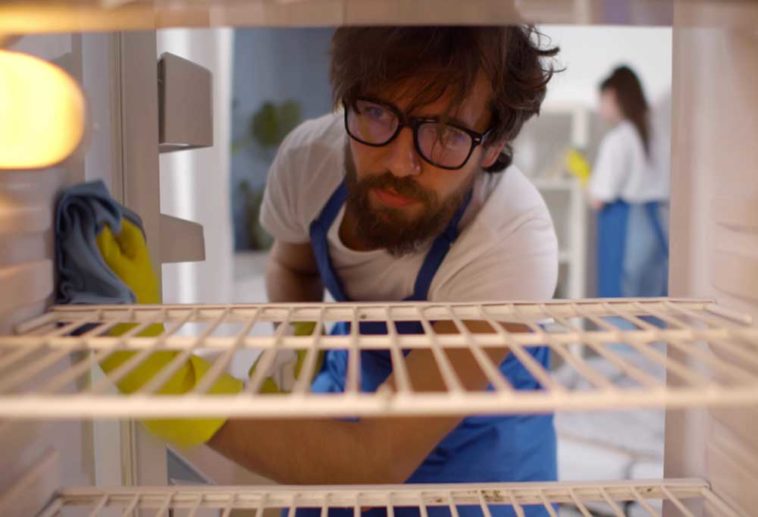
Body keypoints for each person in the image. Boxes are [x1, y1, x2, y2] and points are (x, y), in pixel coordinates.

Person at [209, 26, 560, 517]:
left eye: (445, 133)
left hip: (484, 450)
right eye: (376, 112)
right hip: (354, 391)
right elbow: (293, 266)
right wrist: (297, 352)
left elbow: (373, 463)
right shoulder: (310, 161)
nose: (398, 163)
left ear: (492, 148)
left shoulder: (512, 236)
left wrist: (179, 397)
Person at [588, 65, 669, 299]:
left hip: (627, 228)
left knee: (620, 305)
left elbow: (599, 199)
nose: (600, 107)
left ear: (613, 95)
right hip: (656, 226)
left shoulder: (618, 139)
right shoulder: (659, 134)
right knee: (652, 303)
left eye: (601, 100)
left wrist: (587, 185)